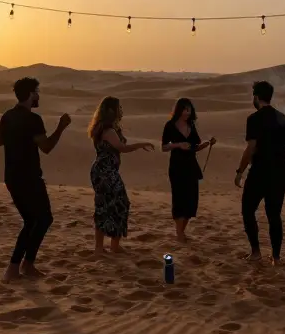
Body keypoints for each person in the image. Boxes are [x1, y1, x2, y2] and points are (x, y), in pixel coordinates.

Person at [0, 77, 72, 282]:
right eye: (37, 92)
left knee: (34, 220)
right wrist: (61, 127)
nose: (38, 96)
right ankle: (15, 268)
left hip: (11, 176)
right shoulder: (33, 120)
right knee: (40, 220)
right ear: (30, 94)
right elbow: (46, 147)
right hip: (28, 177)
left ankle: (26, 265)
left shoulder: (8, 116)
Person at [234, 81, 285, 264]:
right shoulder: (283, 118)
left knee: (247, 210)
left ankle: (255, 252)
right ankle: (276, 257)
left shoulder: (254, 119)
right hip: (279, 173)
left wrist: (240, 171)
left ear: (256, 97)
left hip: (259, 172)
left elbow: (251, 148)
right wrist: (277, 154)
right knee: (274, 215)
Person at [88, 96, 154, 253]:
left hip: (105, 171)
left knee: (106, 205)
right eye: (119, 108)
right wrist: (141, 144)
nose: (121, 111)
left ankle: (105, 246)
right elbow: (122, 147)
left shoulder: (104, 127)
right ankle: (111, 247)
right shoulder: (108, 130)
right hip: (105, 172)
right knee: (119, 204)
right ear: (111, 110)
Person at [161, 98, 217, 242]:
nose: (187, 112)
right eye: (185, 109)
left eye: (189, 109)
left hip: (191, 166)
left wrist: (208, 143)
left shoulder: (191, 125)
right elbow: (164, 147)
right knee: (179, 198)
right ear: (179, 110)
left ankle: (182, 231)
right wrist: (178, 145)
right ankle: (179, 232)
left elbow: (195, 146)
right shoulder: (170, 125)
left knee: (191, 200)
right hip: (177, 166)